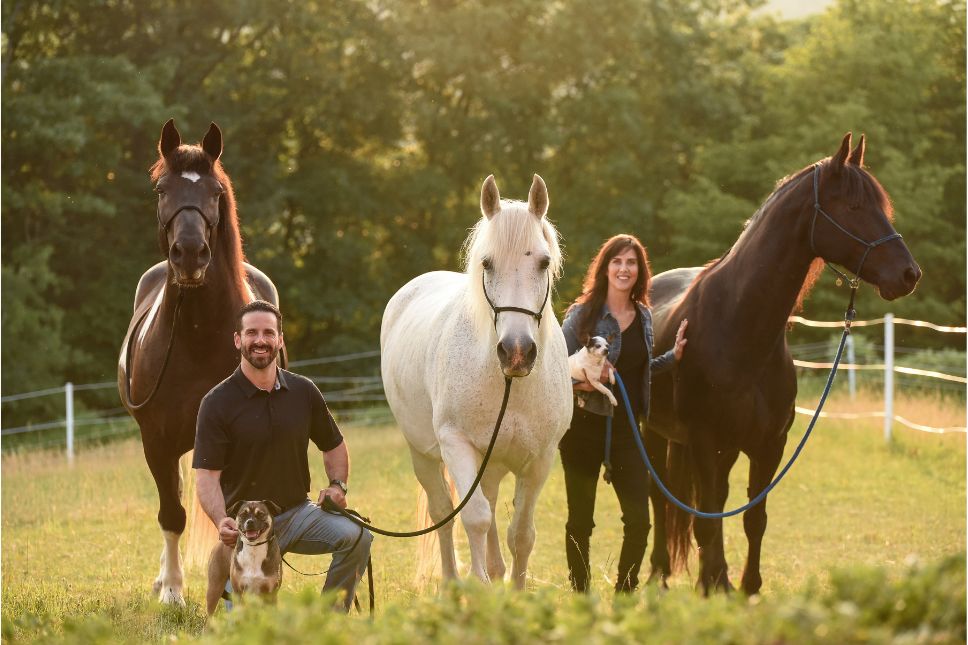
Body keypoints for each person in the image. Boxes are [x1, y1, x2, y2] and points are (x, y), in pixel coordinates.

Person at [194, 300, 372, 612]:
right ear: (238, 340)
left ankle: (328, 622)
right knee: (247, 629)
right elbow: (207, 478)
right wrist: (222, 520)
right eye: (251, 333)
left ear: (280, 340)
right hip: (246, 526)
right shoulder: (216, 403)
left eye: (268, 333)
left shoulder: (304, 391)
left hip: (298, 513)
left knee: (358, 536)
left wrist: (337, 486)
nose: (260, 340)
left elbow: (334, 446)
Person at [559, 234, 687, 593]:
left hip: (629, 433)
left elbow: (638, 371)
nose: (624, 269)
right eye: (617, 261)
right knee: (580, 522)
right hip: (583, 430)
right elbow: (552, 372)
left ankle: (624, 595)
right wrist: (581, 384)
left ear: (640, 271)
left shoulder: (644, 316)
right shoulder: (580, 316)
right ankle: (581, 596)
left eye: (631, 263)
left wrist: (673, 357)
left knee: (640, 523)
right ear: (605, 268)